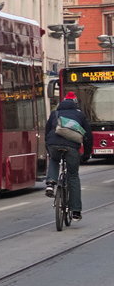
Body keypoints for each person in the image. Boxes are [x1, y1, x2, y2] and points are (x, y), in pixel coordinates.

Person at [44, 90, 92, 220]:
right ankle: (76, 211)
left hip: (53, 144)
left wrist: (48, 149)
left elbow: (47, 132)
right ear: (75, 103)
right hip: (71, 148)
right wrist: (86, 154)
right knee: (73, 176)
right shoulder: (80, 115)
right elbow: (88, 136)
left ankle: (50, 183)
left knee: (54, 160)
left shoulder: (55, 113)